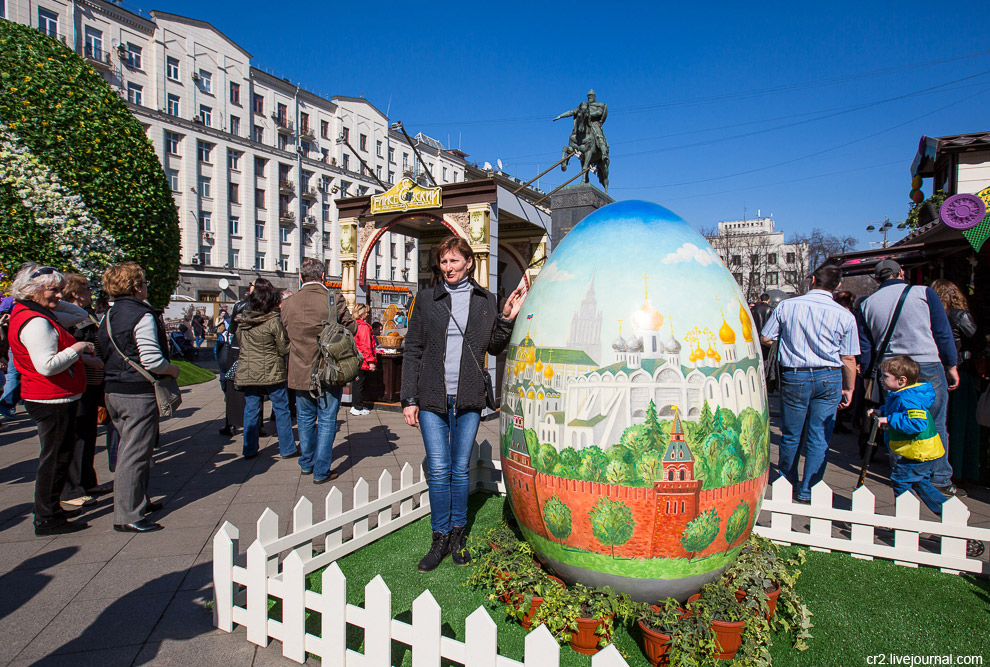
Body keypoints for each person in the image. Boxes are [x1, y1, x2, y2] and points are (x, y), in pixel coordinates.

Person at [402, 236, 527, 572]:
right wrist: (409, 399)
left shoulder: (485, 300)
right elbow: (412, 349)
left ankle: (458, 534)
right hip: (431, 398)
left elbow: (496, 347)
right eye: (444, 262)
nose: (449, 268)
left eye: (455, 261)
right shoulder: (427, 299)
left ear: (469, 263)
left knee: (460, 469)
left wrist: (506, 318)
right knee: (439, 469)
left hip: (469, 397)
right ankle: (439, 536)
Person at [857, 259, 961, 497]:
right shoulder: (924, 293)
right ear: (901, 273)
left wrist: (868, 374)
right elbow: (942, 331)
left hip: (892, 369)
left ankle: (903, 472)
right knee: (934, 420)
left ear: (876, 279)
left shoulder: (867, 304)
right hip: (926, 362)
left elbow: (866, 347)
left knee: (897, 420)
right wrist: (951, 364)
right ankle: (939, 476)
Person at [866, 356, 985, 558]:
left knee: (900, 481)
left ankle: (907, 520)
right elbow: (896, 409)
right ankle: (948, 511)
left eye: (886, 376)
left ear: (901, 380)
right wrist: (881, 411)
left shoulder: (908, 398)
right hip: (916, 451)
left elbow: (917, 423)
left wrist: (889, 419)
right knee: (921, 484)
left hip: (918, 451)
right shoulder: (900, 394)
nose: (882, 380)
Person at [7, 263, 95, 535]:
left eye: (60, 290)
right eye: (52, 291)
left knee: (57, 457)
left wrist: (52, 301)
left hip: (51, 396)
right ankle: (47, 516)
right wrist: (78, 348)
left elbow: (80, 314)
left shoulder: (35, 313)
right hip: (50, 398)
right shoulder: (36, 322)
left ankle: (50, 508)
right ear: (31, 291)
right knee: (55, 459)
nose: (59, 296)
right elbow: (47, 365)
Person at [760, 264, 858, 503]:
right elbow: (848, 357)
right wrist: (849, 387)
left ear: (813, 280)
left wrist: (789, 345)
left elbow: (766, 337)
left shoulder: (788, 306)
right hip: (830, 376)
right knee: (819, 435)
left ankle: (787, 480)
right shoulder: (844, 315)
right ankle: (809, 487)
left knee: (792, 433)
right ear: (837, 286)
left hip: (796, 375)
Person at [98, 262, 180, 533]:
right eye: (143, 281)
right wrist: (172, 370)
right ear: (136, 286)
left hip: (114, 389)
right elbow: (151, 359)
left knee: (131, 449)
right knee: (134, 453)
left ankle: (137, 500)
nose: (146, 286)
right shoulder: (140, 314)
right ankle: (127, 513)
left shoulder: (108, 315)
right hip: (136, 392)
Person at [281, 258, 356, 483]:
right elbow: (351, 327)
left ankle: (307, 463)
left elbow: (285, 335)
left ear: (300, 277)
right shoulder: (332, 300)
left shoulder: (288, 303)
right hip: (329, 369)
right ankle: (321, 470)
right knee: (326, 419)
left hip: (300, 370)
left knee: (304, 418)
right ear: (323, 276)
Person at [61, 274, 111, 505]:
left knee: (89, 433)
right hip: (80, 381)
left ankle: (88, 480)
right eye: (86, 289)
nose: (90, 292)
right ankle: (72, 490)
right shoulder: (68, 316)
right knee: (78, 435)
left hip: (93, 382)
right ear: (75, 293)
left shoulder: (86, 312)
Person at [233, 281, 297, 459]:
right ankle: (287, 448)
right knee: (282, 409)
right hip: (272, 371)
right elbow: (283, 348)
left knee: (252, 409)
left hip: (249, 371)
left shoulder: (242, 322)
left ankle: (249, 448)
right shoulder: (272, 322)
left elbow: (240, 343)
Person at [931, 279, 983, 484]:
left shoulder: (931, 315)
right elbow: (977, 340)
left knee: (939, 423)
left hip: (936, 370)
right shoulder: (959, 315)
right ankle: (960, 470)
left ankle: (937, 466)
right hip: (960, 370)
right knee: (961, 422)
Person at [350, 304, 377, 416]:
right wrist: (371, 361)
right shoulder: (364, 326)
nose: (368, 314)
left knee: (356, 383)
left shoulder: (353, 325)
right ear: (362, 314)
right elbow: (366, 345)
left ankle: (356, 405)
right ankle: (357, 407)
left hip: (355, 358)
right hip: (362, 360)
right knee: (359, 384)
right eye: (366, 312)